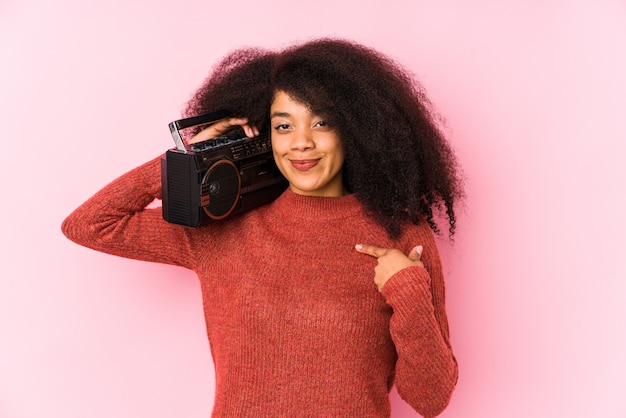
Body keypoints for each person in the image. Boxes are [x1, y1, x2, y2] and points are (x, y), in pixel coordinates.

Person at [62, 38, 463, 417]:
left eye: (321, 123)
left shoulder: (399, 236)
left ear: (355, 130)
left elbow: (430, 399)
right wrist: (185, 160)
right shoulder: (225, 230)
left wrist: (408, 289)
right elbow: (89, 224)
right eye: (284, 126)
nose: (300, 142)